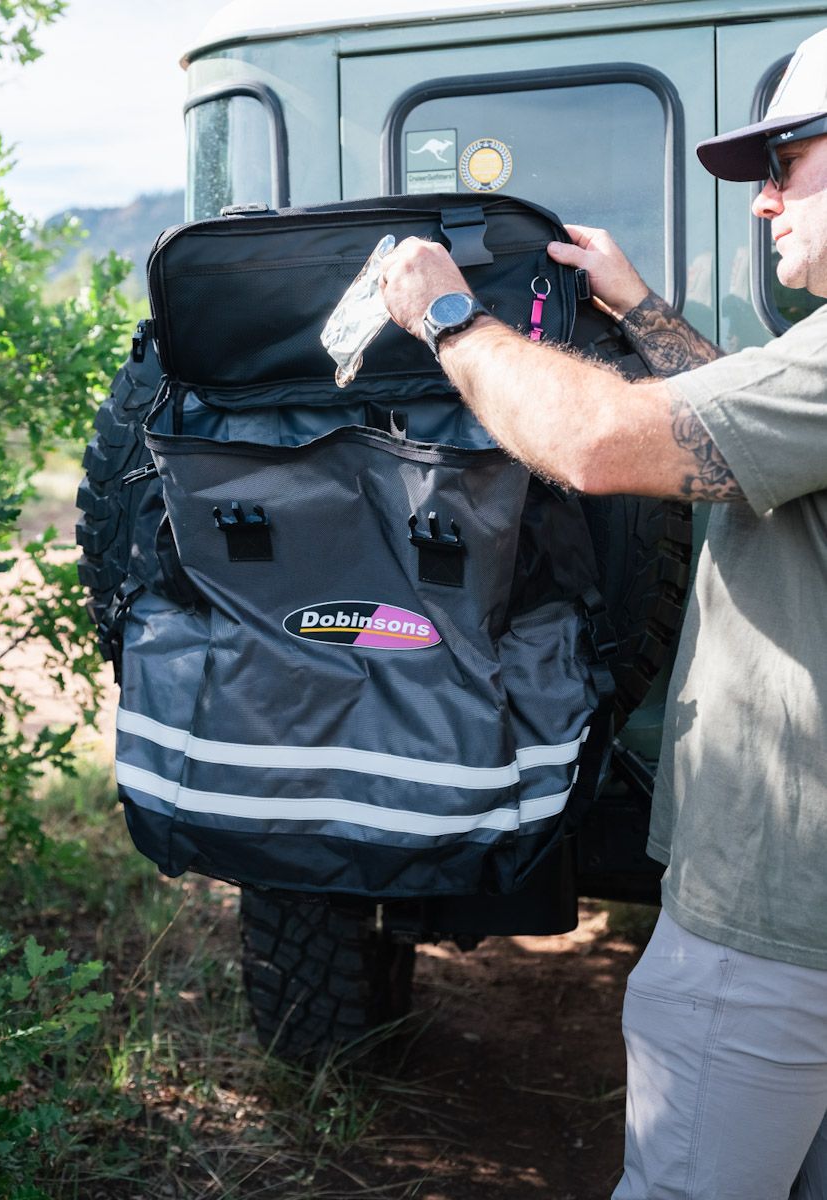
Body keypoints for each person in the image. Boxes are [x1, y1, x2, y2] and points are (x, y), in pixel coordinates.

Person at [380, 25, 827, 1200]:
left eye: (787, 162)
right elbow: (751, 438)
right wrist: (637, 308)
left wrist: (449, 322)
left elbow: (593, 441)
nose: (765, 201)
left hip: (774, 921)